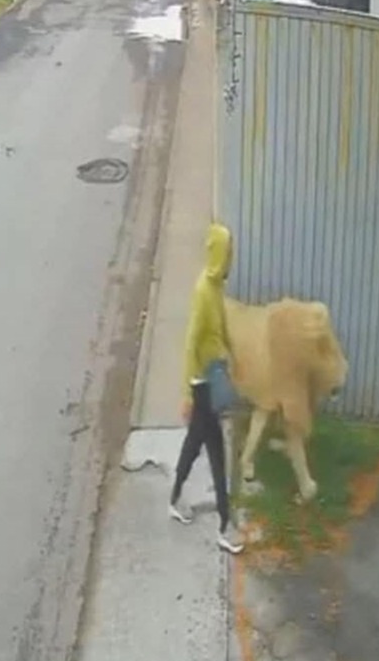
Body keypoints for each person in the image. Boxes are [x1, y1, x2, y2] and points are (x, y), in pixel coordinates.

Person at [169, 223, 245, 555]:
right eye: (228, 254)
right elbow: (190, 343)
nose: (231, 260)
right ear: (219, 255)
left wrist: (232, 354)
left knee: (197, 442)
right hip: (202, 385)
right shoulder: (203, 291)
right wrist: (187, 393)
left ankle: (176, 497)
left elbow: (221, 328)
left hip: (212, 376)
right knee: (215, 450)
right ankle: (225, 525)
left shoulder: (214, 288)